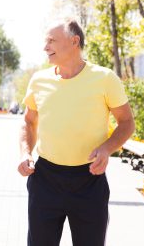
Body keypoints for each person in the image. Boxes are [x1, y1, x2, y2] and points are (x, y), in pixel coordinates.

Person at [18, 18, 135, 246]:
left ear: (74, 41)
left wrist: (107, 148)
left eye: (52, 40)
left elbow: (127, 122)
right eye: (46, 41)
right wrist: (25, 153)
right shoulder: (39, 80)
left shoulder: (105, 78)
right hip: (45, 179)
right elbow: (28, 122)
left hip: (89, 180)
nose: (45, 47)